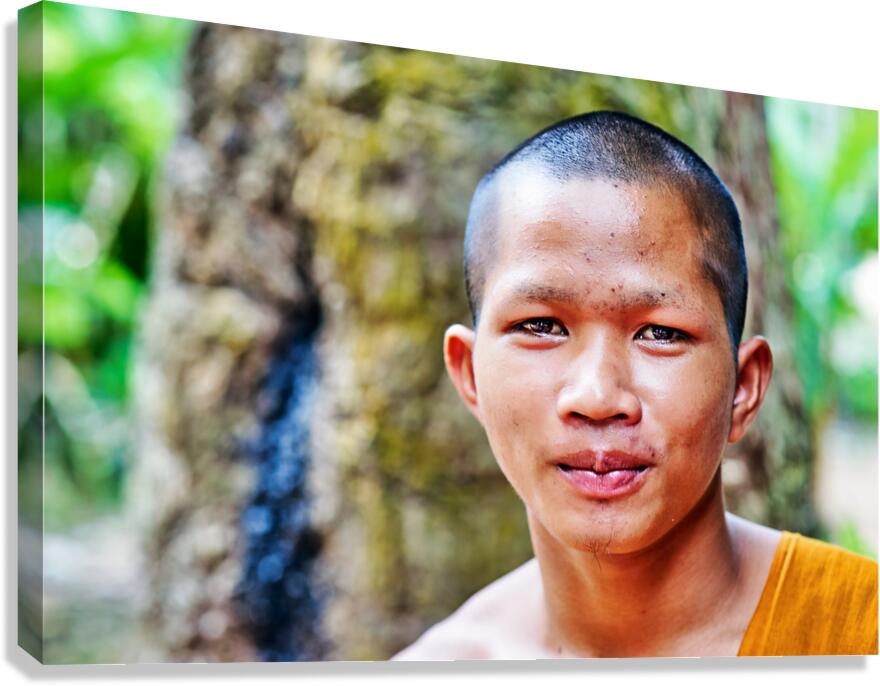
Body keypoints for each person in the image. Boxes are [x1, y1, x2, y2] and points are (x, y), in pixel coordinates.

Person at [392, 111, 878, 659]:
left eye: (660, 334)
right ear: (469, 373)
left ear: (743, 388)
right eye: (541, 327)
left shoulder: (859, 630)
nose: (598, 397)